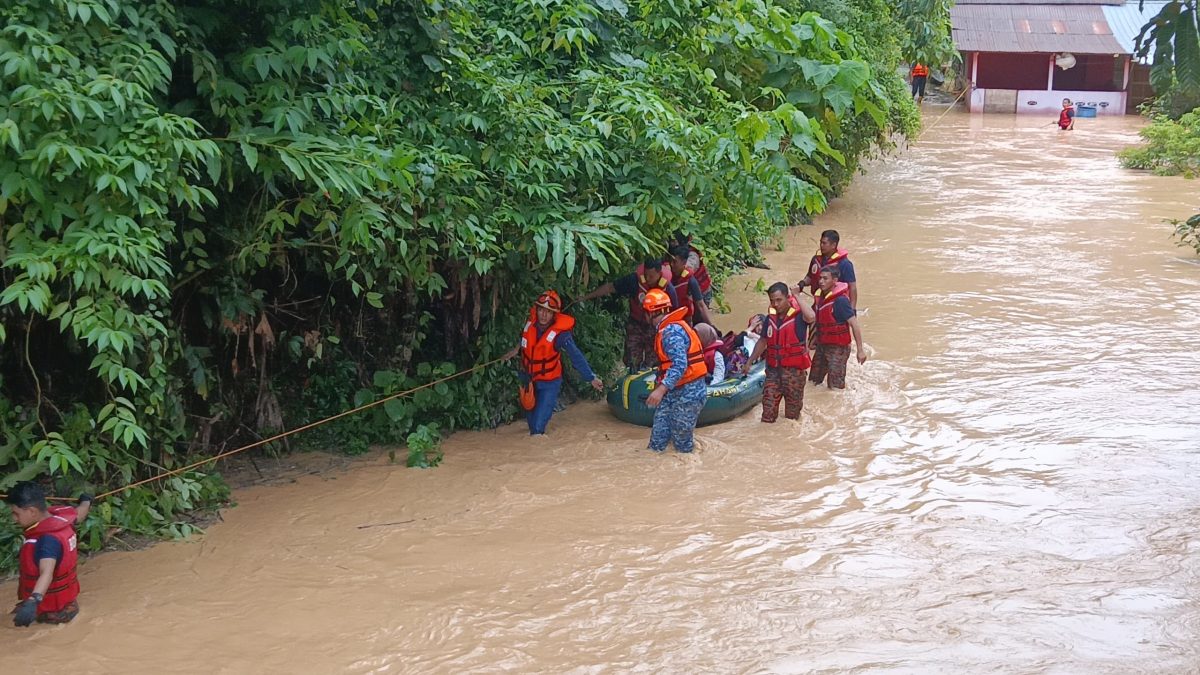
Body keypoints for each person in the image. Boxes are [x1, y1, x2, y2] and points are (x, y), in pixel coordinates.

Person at [503, 290, 603, 435]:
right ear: (536, 310)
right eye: (541, 310)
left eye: (548, 312)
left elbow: (576, 356)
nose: (544, 315)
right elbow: (525, 340)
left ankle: (538, 451)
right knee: (532, 425)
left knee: (537, 428)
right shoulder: (530, 324)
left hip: (549, 383)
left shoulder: (561, 335)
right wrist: (515, 350)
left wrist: (590, 377)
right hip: (528, 379)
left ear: (554, 314)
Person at [6, 482, 92, 627]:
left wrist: (33, 601)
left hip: (54, 611)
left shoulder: (47, 541)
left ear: (32, 511)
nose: (14, 519)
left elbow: (47, 572)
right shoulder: (60, 518)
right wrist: (86, 500)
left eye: (16, 513)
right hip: (65, 601)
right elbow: (80, 513)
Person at [579, 258, 679, 371]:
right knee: (632, 360)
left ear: (659, 272)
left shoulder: (668, 289)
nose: (647, 279)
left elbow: (675, 314)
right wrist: (586, 297)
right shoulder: (634, 281)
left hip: (655, 329)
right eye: (646, 275)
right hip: (635, 324)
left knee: (654, 363)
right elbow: (610, 287)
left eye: (651, 276)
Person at [642, 289, 708, 453]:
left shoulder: (671, 332)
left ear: (650, 313)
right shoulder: (667, 329)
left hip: (689, 391)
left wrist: (660, 390)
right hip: (674, 390)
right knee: (658, 440)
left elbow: (680, 364)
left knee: (681, 443)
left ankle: (687, 470)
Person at [744, 282, 815, 422]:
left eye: (779, 300)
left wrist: (797, 295)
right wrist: (749, 362)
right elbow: (762, 342)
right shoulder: (770, 319)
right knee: (767, 413)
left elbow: (812, 317)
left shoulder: (799, 316)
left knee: (791, 417)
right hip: (773, 372)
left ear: (788, 298)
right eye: (772, 300)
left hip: (794, 373)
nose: (775, 304)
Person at [809, 266, 868, 389]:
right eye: (820, 278)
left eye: (825, 278)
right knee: (813, 381)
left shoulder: (840, 301)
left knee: (835, 387)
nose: (821, 281)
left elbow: (854, 324)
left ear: (835, 280)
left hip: (838, 348)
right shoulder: (820, 298)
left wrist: (860, 350)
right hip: (822, 345)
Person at [803, 229, 857, 308]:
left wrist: (852, 309)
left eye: (824, 243)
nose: (821, 245)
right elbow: (810, 277)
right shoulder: (816, 259)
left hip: (837, 304)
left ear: (833, 245)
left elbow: (852, 288)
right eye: (821, 242)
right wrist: (801, 284)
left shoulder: (845, 264)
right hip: (819, 301)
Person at [666, 245, 714, 327]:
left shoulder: (690, 280)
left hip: (685, 322)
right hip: (669, 320)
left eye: (675, 262)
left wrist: (712, 327)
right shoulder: (666, 276)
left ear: (684, 262)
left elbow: (701, 305)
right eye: (671, 261)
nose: (671, 265)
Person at [669, 231, 714, 306]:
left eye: (674, 241)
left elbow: (686, 268)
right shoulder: (676, 254)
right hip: (691, 290)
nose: (673, 244)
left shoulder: (692, 256)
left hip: (702, 292)